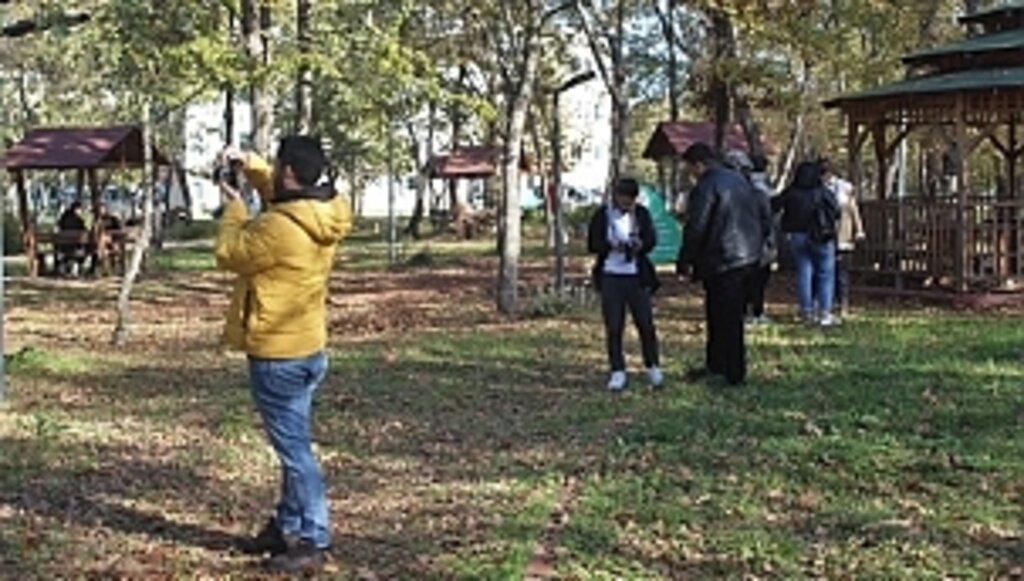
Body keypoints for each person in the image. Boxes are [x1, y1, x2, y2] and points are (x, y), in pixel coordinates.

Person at [216, 136, 352, 574]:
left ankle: (313, 537)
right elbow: (283, 198)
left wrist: (234, 208)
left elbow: (230, 253)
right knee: (294, 447)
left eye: (275, 165)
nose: (271, 171)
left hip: (277, 354)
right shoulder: (325, 211)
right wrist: (250, 164)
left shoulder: (276, 227)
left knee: (296, 454)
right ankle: (286, 524)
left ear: (289, 171)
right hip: (309, 348)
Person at [677, 143, 771, 386]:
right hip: (747, 256)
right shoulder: (740, 180)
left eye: (690, 168)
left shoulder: (706, 187)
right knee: (728, 315)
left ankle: (731, 372)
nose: (691, 173)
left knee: (722, 317)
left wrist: (685, 259)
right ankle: (719, 366)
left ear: (699, 164)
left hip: (721, 258)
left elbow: (697, 226)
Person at [587, 177, 662, 392]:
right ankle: (617, 370)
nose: (626, 204)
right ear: (616, 196)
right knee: (614, 325)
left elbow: (651, 240)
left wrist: (640, 245)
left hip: (636, 276)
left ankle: (652, 365)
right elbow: (592, 244)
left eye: (630, 201)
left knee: (645, 323)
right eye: (623, 199)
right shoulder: (602, 215)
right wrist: (608, 245)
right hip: (611, 275)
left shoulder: (642, 214)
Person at [772, 161, 840, 326]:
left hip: (797, 236)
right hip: (821, 237)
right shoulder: (822, 192)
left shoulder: (791, 192)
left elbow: (774, 205)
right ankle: (824, 312)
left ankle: (806, 311)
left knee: (804, 272)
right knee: (825, 274)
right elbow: (837, 211)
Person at [724, 149, 776, 326]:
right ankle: (755, 311)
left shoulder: (725, 191)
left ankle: (746, 311)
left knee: (745, 281)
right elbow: (767, 220)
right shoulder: (759, 192)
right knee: (758, 280)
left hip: (736, 244)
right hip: (756, 244)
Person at [820, 159, 865, 317]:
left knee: (841, 272)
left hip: (842, 235)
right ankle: (827, 303)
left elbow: (853, 209)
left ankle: (843, 303)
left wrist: (859, 230)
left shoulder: (845, 188)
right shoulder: (817, 188)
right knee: (826, 270)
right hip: (824, 236)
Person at [56, 201, 87, 277]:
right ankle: (74, 269)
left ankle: (63, 268)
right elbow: (84, 231)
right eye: (80, 209)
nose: (81, 211)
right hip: (75, 247)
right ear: (76, 209)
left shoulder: (63, 218)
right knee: (82, 250)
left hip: (63, 247)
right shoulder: (79, 221)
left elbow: (58, 228)